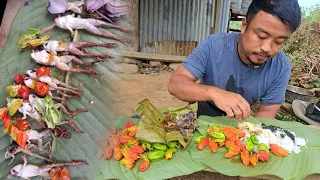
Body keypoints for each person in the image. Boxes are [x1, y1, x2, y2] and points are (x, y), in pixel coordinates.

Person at [167, 0, 301, 120]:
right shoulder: (214, 45)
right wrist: (215, 93)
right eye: (261, 36)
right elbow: (176, 84)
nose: (267, 48)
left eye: (278, 42)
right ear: (244, 25)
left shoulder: (281, 67)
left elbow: (267, 111)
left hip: (240, 122)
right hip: (203, 116)